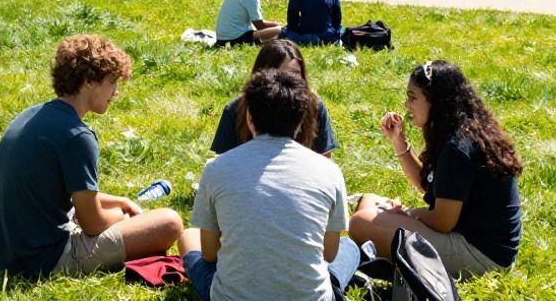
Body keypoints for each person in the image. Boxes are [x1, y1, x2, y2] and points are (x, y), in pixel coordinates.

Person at [0, 34, 182, 278]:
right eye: (112, 82)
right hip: (41, 260)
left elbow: (60, 192)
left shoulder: (31, 114)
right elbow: (92, 223)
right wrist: (120, 216)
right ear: (88, 81)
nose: (116, 92)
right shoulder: (77, 136)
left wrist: (122, 201)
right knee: (169, 223)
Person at [179, 69, 359, 301]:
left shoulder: (217, 168)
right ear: (301, 119)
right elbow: (330, 253)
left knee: (188, 238)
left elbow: (211, 254)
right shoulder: (329, 171)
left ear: (249, 117)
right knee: (349, 248)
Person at [348, 60, 522, 279]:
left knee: (360, 223)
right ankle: (386, 258)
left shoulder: (458, 147)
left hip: (482, 257)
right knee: (369, 201)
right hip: (467, 239)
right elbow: (427, 184)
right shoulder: (458, 130)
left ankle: (384, 261)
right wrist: (398, 141)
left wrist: (408, 214)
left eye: (413, 97)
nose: (406, 104)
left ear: (436, 101)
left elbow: (442, 220)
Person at [210, 40, 338, 157]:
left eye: (294, 74)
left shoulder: (315, 107)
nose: (287, 81)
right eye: (279, 74)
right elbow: (223, 164)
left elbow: (325, 160)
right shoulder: (235, 110)